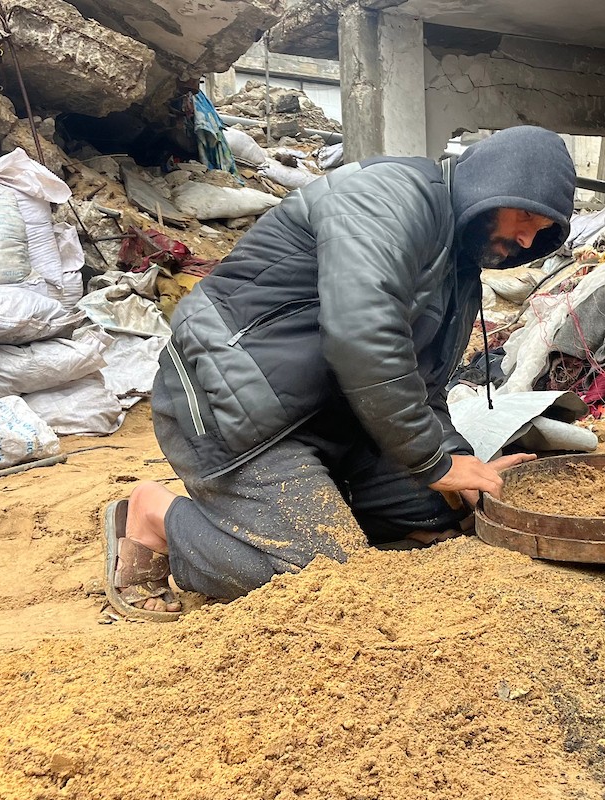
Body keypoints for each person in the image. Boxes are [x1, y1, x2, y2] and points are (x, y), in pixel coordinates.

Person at [104, 126, 577, 621]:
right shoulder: (389, 196)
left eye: (541, 230)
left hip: (334, 414)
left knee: (443, 511)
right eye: (525, 216)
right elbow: (361, 332)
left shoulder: (458, 270)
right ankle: (156, 518)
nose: (527, 238)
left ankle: (316, 515)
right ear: (490, 185)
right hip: (235, 407)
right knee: (326, 578)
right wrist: (431, 463)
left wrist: (456, 459)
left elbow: (425, 385)